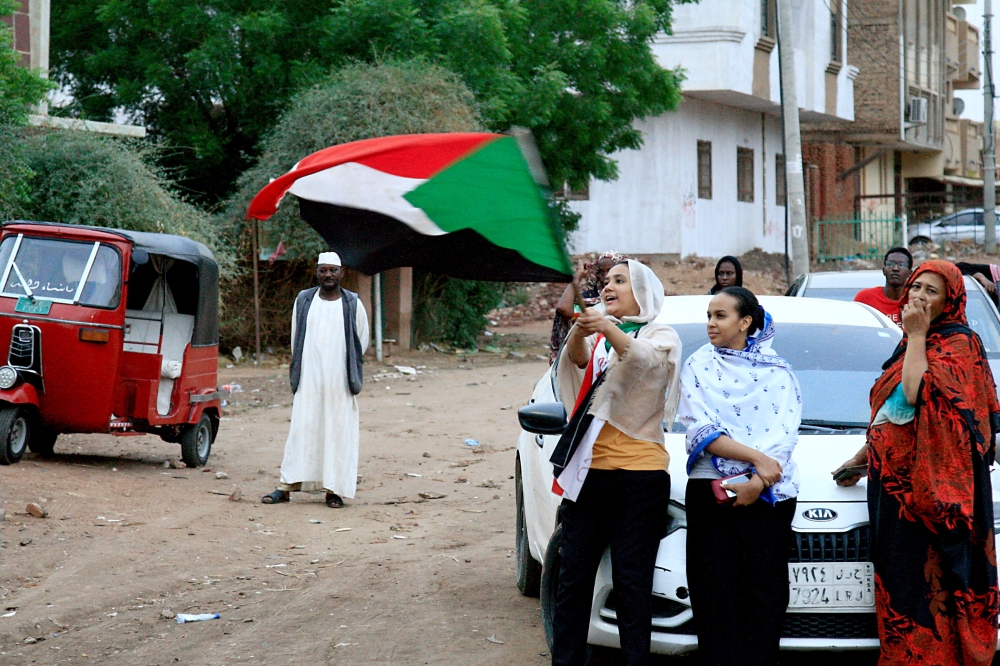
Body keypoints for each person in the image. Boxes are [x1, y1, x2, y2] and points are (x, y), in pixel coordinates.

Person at [833, 261, 1000, 665]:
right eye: (916, 288)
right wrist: (859, 459)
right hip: (892, 491)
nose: (920, 297)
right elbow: (892, 414)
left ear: (950, 301)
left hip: (933, 494)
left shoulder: (959, 344)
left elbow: (912, 394)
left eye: (931, 292)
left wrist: (918, 335)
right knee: (901, 583)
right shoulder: (910, 344)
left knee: (934, 586)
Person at [549, 259, 681, 666]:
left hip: (640, 478)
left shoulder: (660, 335)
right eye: (606, 282)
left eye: (620, 281)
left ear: (642, 291)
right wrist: (581, 328)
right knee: (572, 580)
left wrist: (604, 326)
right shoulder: (606, 338)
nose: (609, 287)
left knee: (631, 583)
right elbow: (576, 362)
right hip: (590, 475)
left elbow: (643, 362)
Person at [678, 286, 801, 666]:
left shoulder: (778, 372)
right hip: (710, 491)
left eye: (721, 316)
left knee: (764, 593)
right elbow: (702, 429)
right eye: (709, 316)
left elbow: (785, 433)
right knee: (714, 592)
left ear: (745, 322)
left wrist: (759, 481)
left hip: (768, 496)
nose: (711, 323)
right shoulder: (698, 365)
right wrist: (754, 460)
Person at [262, 252, 370, 509]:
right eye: (324, 270)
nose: (328, 275)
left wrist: (341, 370)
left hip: (339, 382)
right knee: (302, 430)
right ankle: (286, 486)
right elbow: (295, 338)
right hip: (309, 379)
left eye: (333, 270)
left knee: (337, 432)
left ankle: (334, 490)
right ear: (317, 272)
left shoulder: (352, 303)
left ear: (342, 273)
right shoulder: (304, 300)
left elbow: (360, 342)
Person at [549, 251, 626, 364]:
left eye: (610, 270)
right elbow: (563, 310)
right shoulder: (589, 298)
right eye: (601, 271)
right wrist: (577, 277)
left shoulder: (630, 298)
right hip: (591, 358)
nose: (605, 276)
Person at [853, 246, 913, 326]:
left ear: (910, 273)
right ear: (884, 270)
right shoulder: (865, 298)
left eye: (901, 265)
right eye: (890, 264)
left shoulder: (915, 300)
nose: (895, 268)